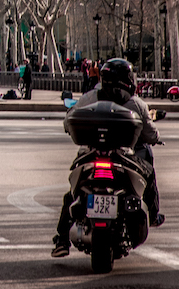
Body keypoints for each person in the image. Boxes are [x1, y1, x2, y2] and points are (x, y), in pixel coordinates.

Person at [52, 57, 163, 257]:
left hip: (90, 154)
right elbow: (150, 134)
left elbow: (68, 121)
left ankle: (61, 240)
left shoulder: (90, 98)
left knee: (73, 194)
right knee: (148, 173)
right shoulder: (136, 103)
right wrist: (156, 138)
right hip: (124, 156)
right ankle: (154, 214)